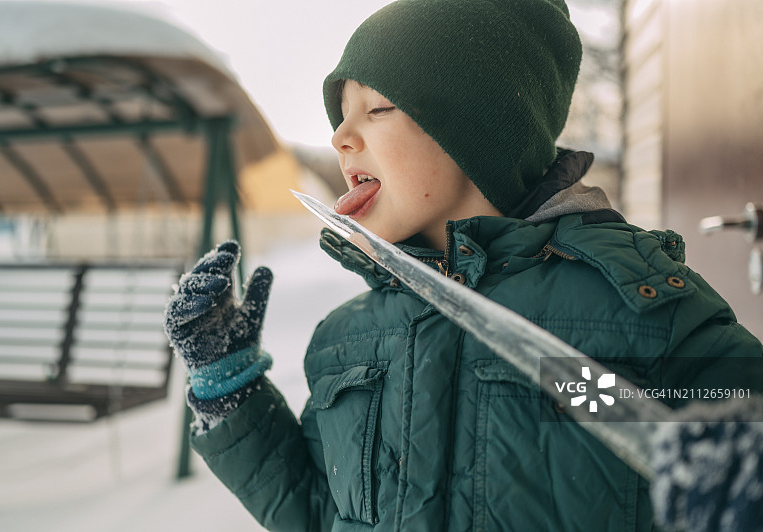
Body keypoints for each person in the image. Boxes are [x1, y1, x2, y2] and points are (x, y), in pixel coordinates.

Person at [164, 0, 763, 530]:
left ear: (476, 132)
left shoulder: (640, 310)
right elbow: (322, 515)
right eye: (341, 115)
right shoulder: (348, 338)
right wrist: (230, 390)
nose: (341, 136)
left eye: (378, 108)